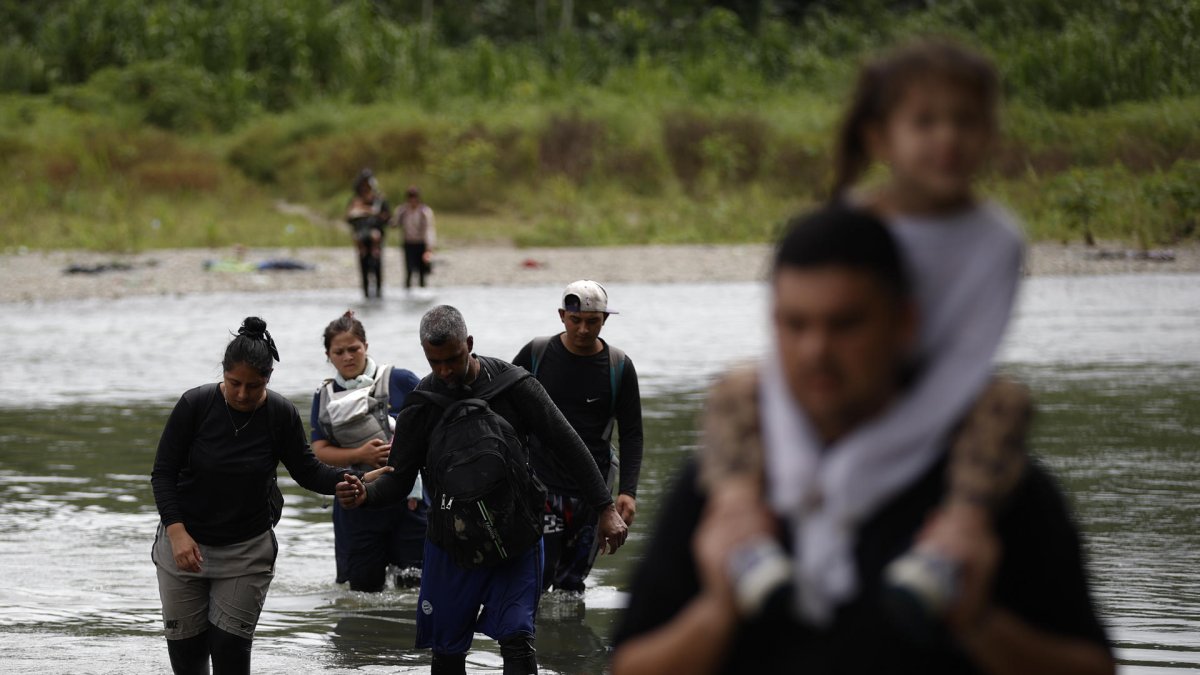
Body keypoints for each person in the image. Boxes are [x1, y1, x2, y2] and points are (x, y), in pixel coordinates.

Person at [610, 207, 1115, 674]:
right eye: (796, 324)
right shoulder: (718, 488)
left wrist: (978, 623)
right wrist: (717, 610)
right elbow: (630, 666)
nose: (816, 351)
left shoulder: (996, 491)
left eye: (845, 324)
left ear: (905, 324)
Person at [336, 305, 629, 675]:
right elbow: (398, 478)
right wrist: (367, 495)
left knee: (519, 642)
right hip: (449, 546)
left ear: (469, 344)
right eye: (435, 362)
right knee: (446, 651)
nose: (445, 371)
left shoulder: (516, 386)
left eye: (453, 360)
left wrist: (605, 507)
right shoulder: (422, 404)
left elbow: (568, 445)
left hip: (517, 538)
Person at [150, 317, 364, 675]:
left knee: (230, 653)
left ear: (268, 379)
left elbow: (307, 470)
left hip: (247, 549)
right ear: (223, 374)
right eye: (234, 384)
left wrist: (350, 479)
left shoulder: (279, 414)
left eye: (255, 386)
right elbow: (163, 473)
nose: (243, 394)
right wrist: (176, 532)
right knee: (188, 660)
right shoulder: (195, 405)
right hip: (183, 545)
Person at [512, 280, 643, 594]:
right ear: (562, 316)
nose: (583, 329)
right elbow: (504, 407)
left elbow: (632, 432)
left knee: (572, 586)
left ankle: (569, 640)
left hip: (593, 492)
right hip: (541, 486)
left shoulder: (619, 367)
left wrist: (627, 491)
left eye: (592, 321)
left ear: (604, 320)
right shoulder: (536, 354)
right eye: (576, 320)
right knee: (537, 579)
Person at [309, 310, 427, 592]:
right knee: (362, 588)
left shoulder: (400, 380)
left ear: (366, 347)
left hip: (408, 501)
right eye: (339, 352)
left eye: (354, 349)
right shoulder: (323, 396)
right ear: (329, 355)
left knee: (415, 586)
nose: (348, 357)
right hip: (354, 503)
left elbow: (432, 425)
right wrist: (360, 455)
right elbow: (319, 450)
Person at [346, 169, 391, 299]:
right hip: (362, 239)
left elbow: (387, 218)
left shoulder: (379, 201)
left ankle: (378, 294)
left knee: (377, 267)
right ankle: (366, 294)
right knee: (364, 268)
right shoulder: (355, 201)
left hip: (376, 240)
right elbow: (349, 218)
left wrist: (377, 215)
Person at [394, 185, 436, 290]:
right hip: (408, 244)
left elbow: (429, 229)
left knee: (422, 272)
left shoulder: (424, 211)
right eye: (410, 197)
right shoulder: (402, 210)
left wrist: (429, 249)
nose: (412, 199)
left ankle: (422, 292)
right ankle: (407, 292)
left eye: (414, 197)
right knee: (409, 270)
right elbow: (394, 223)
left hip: (421, 244)